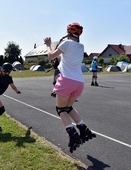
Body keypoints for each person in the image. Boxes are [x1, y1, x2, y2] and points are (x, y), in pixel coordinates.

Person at [44, 22, 96, 153]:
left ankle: (73, 134)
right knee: (69, 107)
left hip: (67, 80)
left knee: (60, 109)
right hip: (79, 82)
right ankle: (83, 128)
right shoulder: (81, 46)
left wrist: (48, 45)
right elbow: (65, 57)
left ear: (68, 32)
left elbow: (51, 56)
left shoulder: (66, 43)